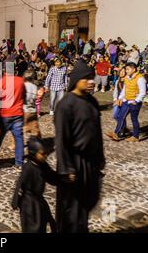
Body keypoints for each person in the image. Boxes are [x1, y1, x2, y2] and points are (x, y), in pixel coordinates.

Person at [54, 60, 105, 233]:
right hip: (73, 164)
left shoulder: (92, 102)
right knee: (71, 208)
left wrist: (100, 158)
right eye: (87, 78)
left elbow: (97, 133)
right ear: (77, 80)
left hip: (90, 162)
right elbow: (61, 139)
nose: (92, 81)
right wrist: (65, 168)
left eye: (92, 77)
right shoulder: (65, 105)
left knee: (88, 200)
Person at [11, 136, 58, 233]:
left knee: (43, 225)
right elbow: (20, 183)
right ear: (33, 153)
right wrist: (16, 200)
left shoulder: (43, 165)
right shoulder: (28, 167)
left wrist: (62, 178)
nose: (45, 156)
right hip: (28, 205)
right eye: (42, 154)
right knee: (33, 228)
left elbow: (51, 177)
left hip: (39, 202)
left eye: (45, 154)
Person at [0, 65, 26, 169]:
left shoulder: (1, 81)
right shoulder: (21, 81)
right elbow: (24, 94)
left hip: (5, 113)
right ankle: (19, 162)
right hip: (18, 113)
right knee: (19, 138)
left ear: (5, 71)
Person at [107, 62, 147, 142]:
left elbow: (143, 92)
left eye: (128, 69)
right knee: (121, 116)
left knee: (134, 119)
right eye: (126, 69)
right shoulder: (127, 77)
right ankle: (116, 134)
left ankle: (135, 136)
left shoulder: (140, 78)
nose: (126, 71)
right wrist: (120, 98)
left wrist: (136, 101)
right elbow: (124, 90)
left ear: (134, 69)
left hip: (134, 102)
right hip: (126, 100)